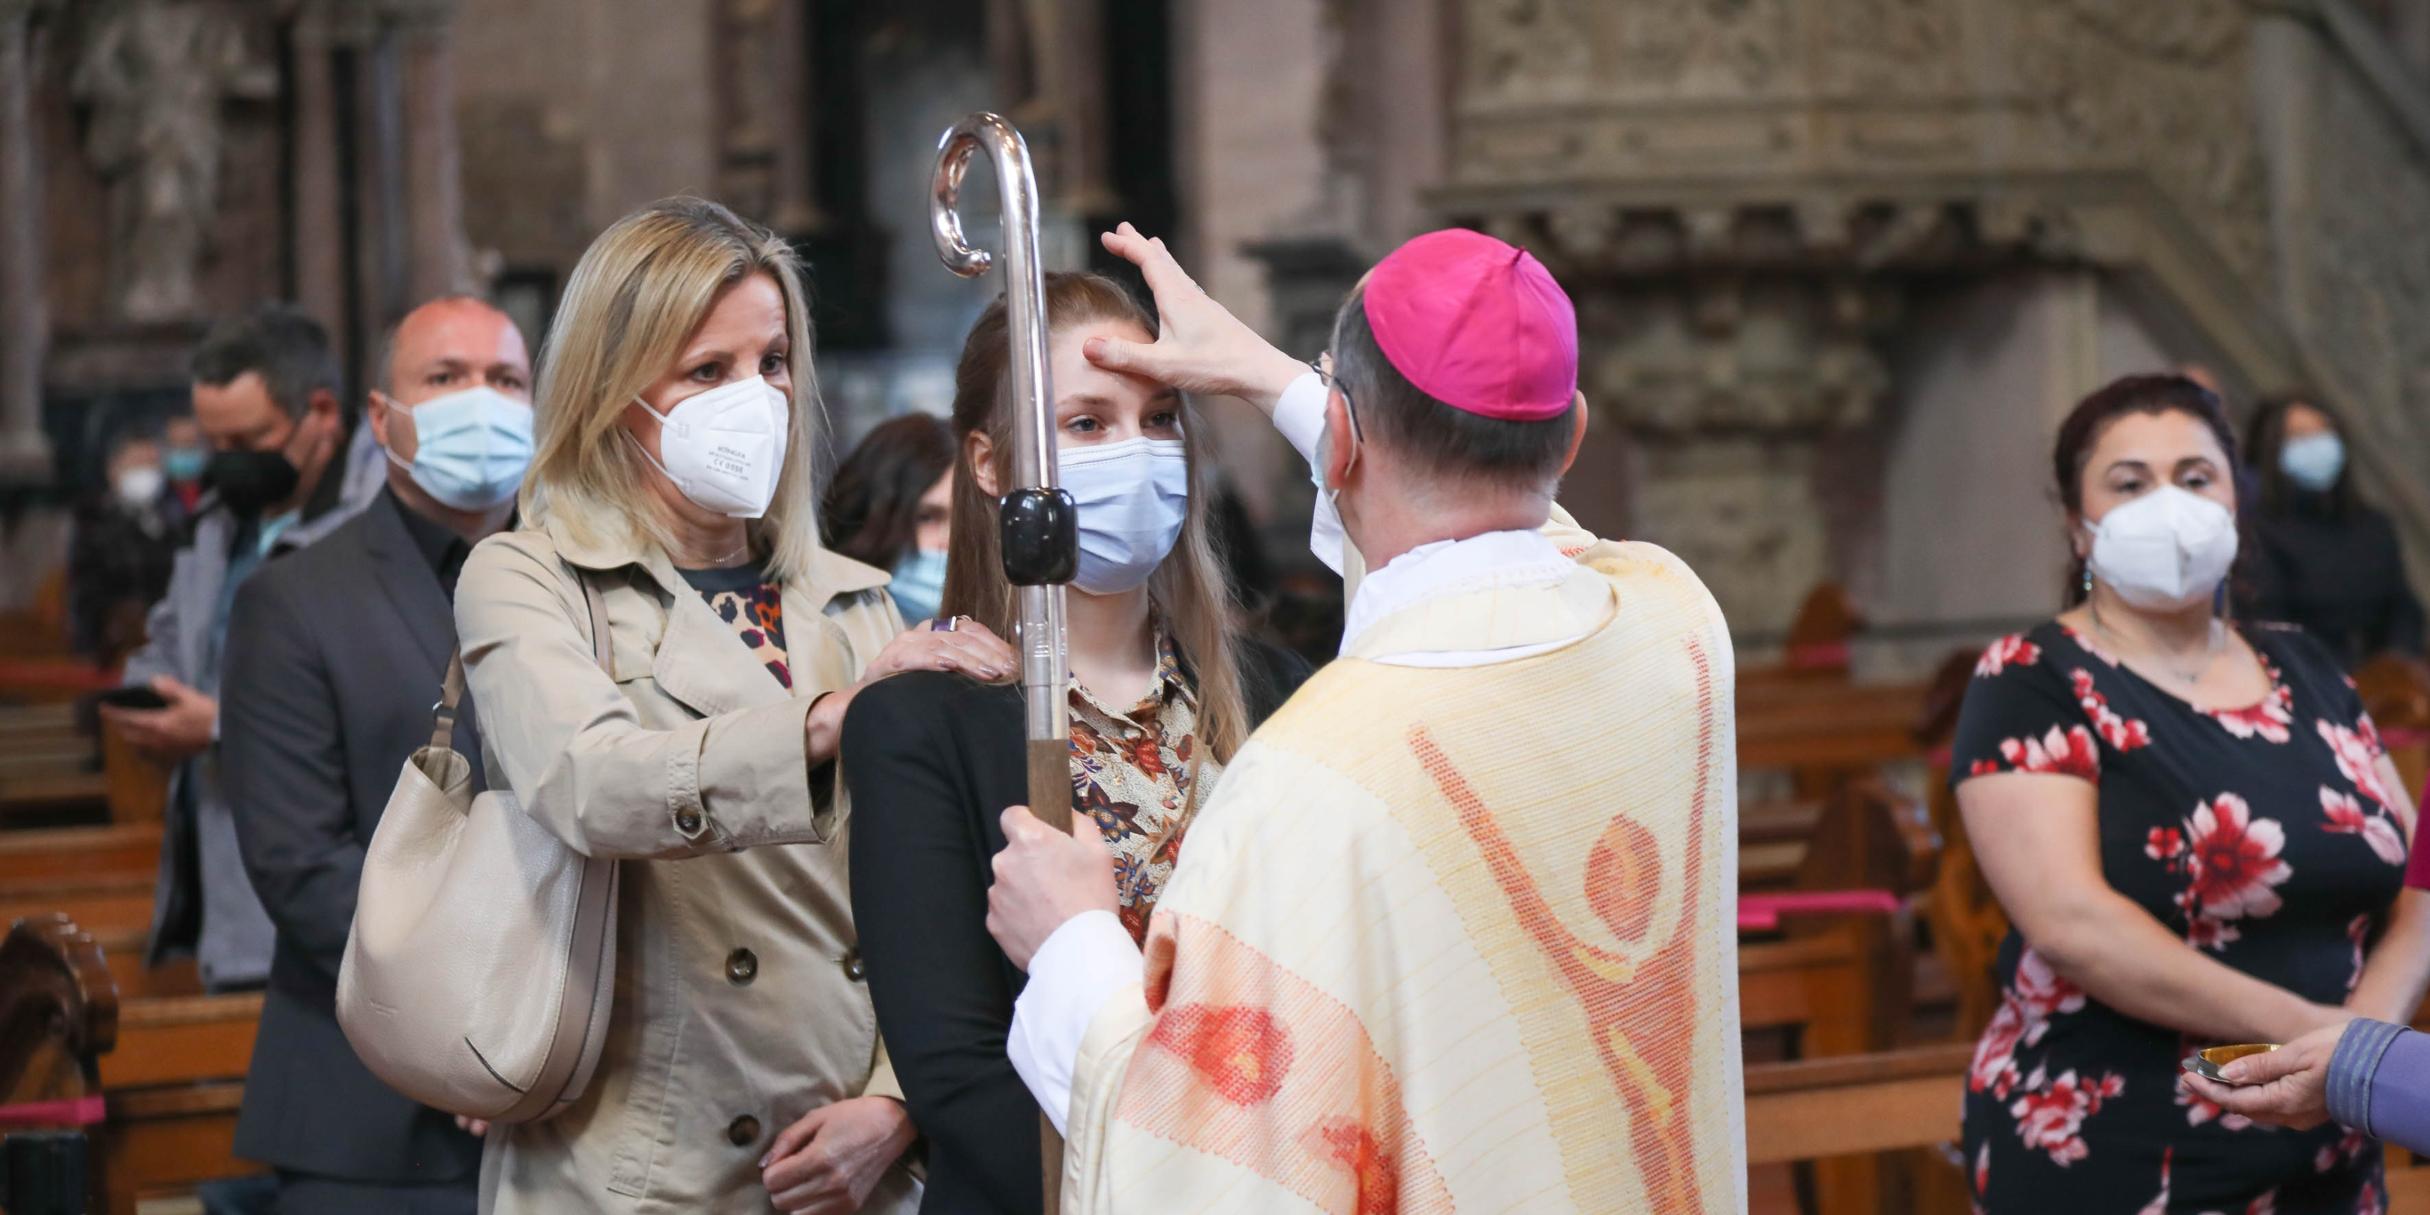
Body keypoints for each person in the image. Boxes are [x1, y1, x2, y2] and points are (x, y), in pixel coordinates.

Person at [982, 226, 1746, 1212]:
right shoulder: (1676, 633)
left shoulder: (1310, 777)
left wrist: (1074, 945)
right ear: (1575, 433)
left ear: (1339, 439)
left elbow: (1209, 1171)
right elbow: (1518, 544)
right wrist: (1285, 385)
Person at [452, 197, 1012, 1214]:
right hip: (641, 1163)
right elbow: (591, 782)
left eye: (773, 362)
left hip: (855, 1169)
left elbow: (939, 891)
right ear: (615, 390)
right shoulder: (531, 577)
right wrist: (835, 718)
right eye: (708, 372)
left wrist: (898, 1104)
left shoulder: (853, 596)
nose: (755, 397)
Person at [840, 271, 1313, 1213]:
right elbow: (958, 1079)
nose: (1135, 453)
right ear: (989, 463)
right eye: (1088, 424)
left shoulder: (1277, 692)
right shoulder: (920, 722)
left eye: (1160, 417)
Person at [1950, 374, 2427, 1212]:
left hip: (2327, 1136)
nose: (2167, 502)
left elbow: (2420, 886)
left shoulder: (2305, 665)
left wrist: (2359, 1047)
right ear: (2077, 523)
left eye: (2195, 477)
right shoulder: (2033, 677)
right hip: (2121, 1133)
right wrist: (2310, 1032)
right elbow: (2073, 925)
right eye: (2130, 482)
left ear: (2236, 504)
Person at [216, 295, 535, 1213]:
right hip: (376, 1112)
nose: (481, 398)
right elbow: (303, 864)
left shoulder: (589, 583)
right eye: (445, 378)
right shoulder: (296, 601)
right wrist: (483, 1030)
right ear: (379, 416)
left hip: (585, 1085)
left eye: (505, 379)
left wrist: (550, 1032)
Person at [103, 304, 377, 992]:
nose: (229, 462)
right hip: (225, 882)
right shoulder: (219, 518)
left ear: (320, 412)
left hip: (334, 898)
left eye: (248, 439)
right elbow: (171, 633)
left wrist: (219, 724)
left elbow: (381, 693)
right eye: (214, 440)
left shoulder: (379, 528)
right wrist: (151, 689)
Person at [2240, 392, 2424, 667]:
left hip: (2389, 685)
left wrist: (2395, 662)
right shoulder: (2261, 533)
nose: (2316, 443)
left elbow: (2403, 608)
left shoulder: (2373, 524)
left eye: (2324, 430)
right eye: (2300, 436)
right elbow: (2273, 627)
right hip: (2312, 679)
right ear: (2272, 449)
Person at [821, 413, 954, 624]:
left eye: (966, 523)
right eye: (926, 518)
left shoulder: (1007, 639)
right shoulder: (813, 634)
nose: (951, 540)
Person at [67, 428, 177, 663]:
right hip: (111, 650)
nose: (147, 473)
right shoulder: (93, 522)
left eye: (153, 464)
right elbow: (83, 592)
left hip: (165, 643)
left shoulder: (169, 523)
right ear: (114, 470)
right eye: (137, 464)